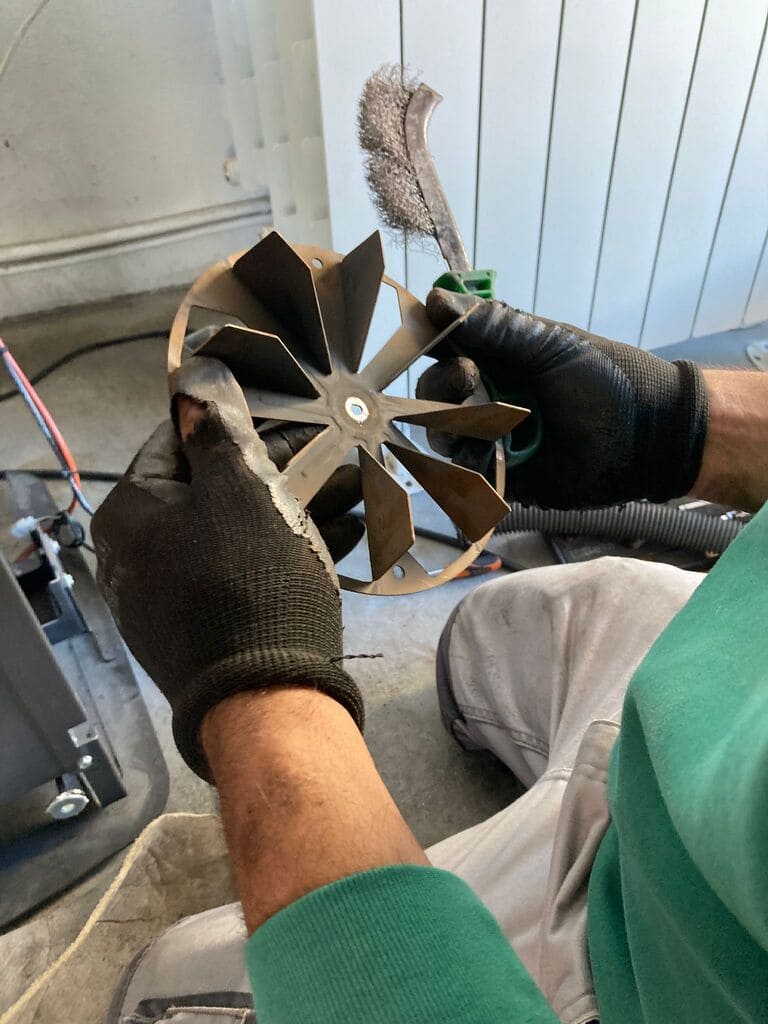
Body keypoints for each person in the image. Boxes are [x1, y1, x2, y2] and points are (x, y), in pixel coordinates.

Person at [92, 290, 768, 1023]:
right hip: (734, 685)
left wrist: (257, 688)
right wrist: (686, 423)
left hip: (663, 973)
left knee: (163, 981)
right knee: (492, 626)